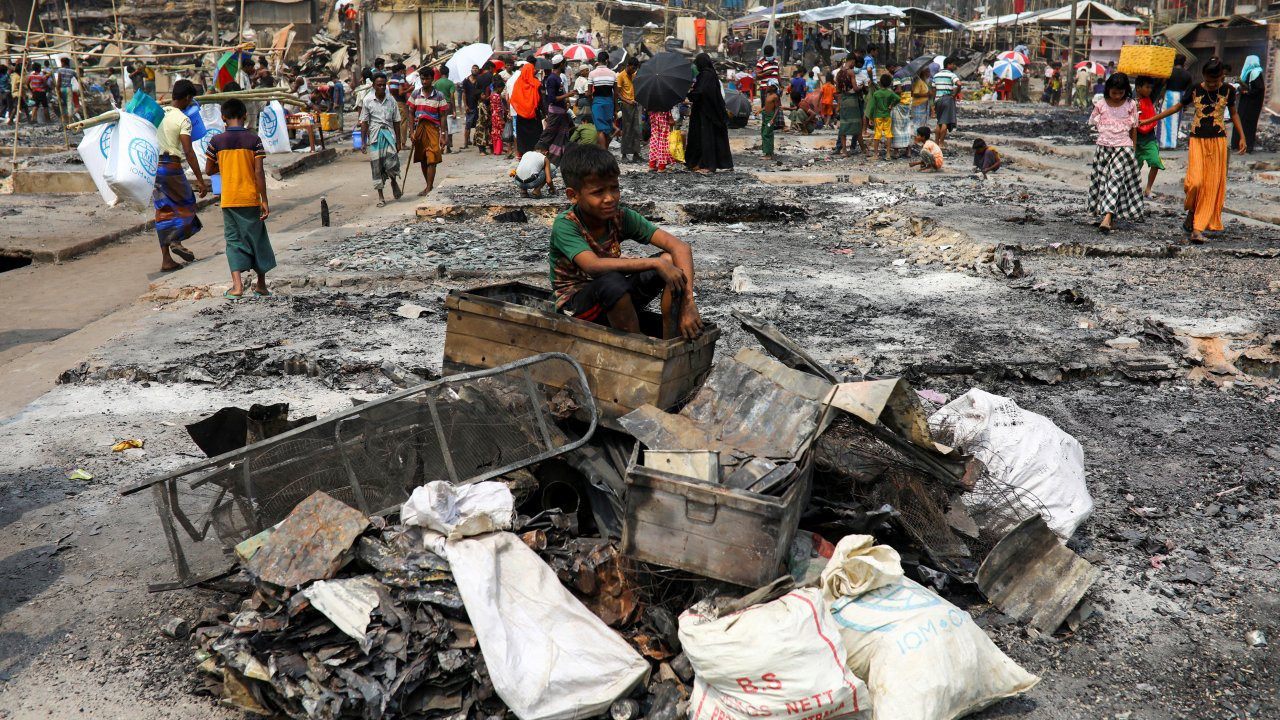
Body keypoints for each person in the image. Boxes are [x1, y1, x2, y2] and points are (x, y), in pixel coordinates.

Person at [548, 144, 702, 340]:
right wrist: (654, 262)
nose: (609, 198)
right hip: (577, 307)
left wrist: (688, 303)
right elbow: (593, 266)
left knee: (671, 261)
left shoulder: (621, 216)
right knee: (614, 281)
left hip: (617, 298)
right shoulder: (566, 224)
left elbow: (680, 247)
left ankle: (669, 342)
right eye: (598, 192)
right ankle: (639, 349)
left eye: (614, 188)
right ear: (573, 195)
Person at [1151, 60, 1247, 243]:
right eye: (1208, 81)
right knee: (1195, 183)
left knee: (1210, 186)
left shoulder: (1229, 90)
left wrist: (1242, 136)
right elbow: (1176, 108)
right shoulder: (1195, 89)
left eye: (1215, 81)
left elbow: (1234, 113)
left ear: (1221, 77)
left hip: (1218, 141)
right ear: (1203, 76)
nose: (1211, 85)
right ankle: (1192, 211)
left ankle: (1197, 228)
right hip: (1197, 140)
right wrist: (1151, 120)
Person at [203, 99, 274, 299]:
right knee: (257, 240)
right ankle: (260, 284)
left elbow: (209, 169)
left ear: (223, 118)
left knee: (233, 241)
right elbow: (259, 172)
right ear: (245, 115)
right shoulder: (254, 140)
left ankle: (237, 287)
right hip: (250, 198)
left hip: (229, 199)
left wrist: (225, 165)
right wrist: (264, 200)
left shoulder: (216, 142)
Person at [151, 80, 209, 272]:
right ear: (187, 98)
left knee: (163, 211)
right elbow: (188, 151)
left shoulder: (158, 114)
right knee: (187, 203)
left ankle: (166, 259)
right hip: (171, 167)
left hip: (154, 169)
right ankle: (176, 240)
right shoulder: (183, 120)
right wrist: (200, 181)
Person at [1086, 72, 1142, 233]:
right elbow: (1094, 124)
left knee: (1115, 179)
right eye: (1114, 92)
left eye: (1121, 93)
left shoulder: (1130, 105)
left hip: (1123, 147)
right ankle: (1110, 215)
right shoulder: (1101, 104)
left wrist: (1134, 148)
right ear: (1108, 90)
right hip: (1104, 148)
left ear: (1126, 91)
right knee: (1103, 181)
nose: (1117, 96)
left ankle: (1107, 217)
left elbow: (1134, 129)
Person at [358, 73, 403, 206]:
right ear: (373, 85)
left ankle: (394, 182)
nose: (382, 87)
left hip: (389, 135)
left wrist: (399, 141)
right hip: (375, 137)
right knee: (377, 167)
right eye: (379, 85)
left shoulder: (391, 100)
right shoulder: (367, 100)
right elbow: (364, 122)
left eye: (384, 85)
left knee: (392, 164)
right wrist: (363, 142)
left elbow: (396, 121)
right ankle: (381, 197)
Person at [685, 54, 732, 174]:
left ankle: (708, 165)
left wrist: (690, 94)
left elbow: (702, 92)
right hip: (703, 111)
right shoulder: (707, 75)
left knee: (707, 138)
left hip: (708, 112)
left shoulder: (707, 75)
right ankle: (698, 162)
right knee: (699, 137)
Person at [407, 80, 448, 195]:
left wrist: (443, 134)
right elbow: (410, 112)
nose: (424, 81)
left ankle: (429, 187)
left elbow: (443, 116)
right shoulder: (415, 94)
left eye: (427, 78)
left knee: (432, 157)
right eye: (422, 78)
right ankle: (428, 185)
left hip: (433, 129)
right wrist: (411, 132)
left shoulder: (439, 95)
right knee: (423, 158)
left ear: (431, 78)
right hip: (419, 128)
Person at [539, 55, 576, 162]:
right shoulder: (552, 78)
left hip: (561, 112)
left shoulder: (558, 77)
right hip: (555, 113)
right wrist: (568, 95)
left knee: (562, 135)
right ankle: (539, 154)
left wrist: (566, 100)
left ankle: (556, 159)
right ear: (561, 64)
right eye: (564, 64)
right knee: (549, 135)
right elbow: (552, 98)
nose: (565, 66)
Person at [1133, 76, 1164, 198]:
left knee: (1155, 162)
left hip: (1150, 138)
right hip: (1136, 139)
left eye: (1151, 87)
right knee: (1135, 167)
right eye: (1147, 87)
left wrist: (1162, 81)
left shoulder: (1150, 98)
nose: (1150, 90)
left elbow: (1158, 87)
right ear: (1138, 88)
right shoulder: (1131, 101)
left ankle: (1148, 188)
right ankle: (1133, 189)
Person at [509, 61, 542, 160]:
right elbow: (539, 100)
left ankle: (523, 154)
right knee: (535, 135)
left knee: (523, 136)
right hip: (534, 114)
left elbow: (514, 99)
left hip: (521, 115)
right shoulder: (536, 83)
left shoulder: (518, 84)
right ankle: (536, 153)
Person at [1233, 54, 1264, 154]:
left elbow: (1259, 88)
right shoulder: (1249, 72)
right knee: (1240, 121)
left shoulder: (1256, 73)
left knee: (1248, 123)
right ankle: (1237, 144)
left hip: (1251, 104)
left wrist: (1247, 92)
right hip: (1246, 101)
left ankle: (1247, 146)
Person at [1159, 55, 1191, 150]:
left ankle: (1162, 143)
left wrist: (1159, 98)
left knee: (1164, 118)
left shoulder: (1169, 72)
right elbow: (1189, 90)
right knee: (1175, 120)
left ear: (1174, 62)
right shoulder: (1187, 74)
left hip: (1168, 95)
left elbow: (1163, 85)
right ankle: (1172, 144)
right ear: (1184, 63)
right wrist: (1185, 103)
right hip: (1180, 97)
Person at [833, 60, 864, 157]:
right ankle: (863, 148)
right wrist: (862, 87)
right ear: (852, 61)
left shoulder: (838, 73)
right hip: (852, 100)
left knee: (843, 126)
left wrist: (839, 103)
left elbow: (837, 90)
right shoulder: (850, 72)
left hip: (843, 100)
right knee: (857, 125)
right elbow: (855, 89)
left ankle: (844, 150)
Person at [588, 52, 617, 149]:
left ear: (598, 60)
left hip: (597, 102)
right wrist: (616, 109)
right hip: (609, 102)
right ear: (607, 60)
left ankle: (603, 153)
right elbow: (616, 93)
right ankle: (606, 152)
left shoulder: (592, 74)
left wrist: (591, 104)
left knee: (600, 130)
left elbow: (589, 93)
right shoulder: (613, 74)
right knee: (608, 129)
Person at [868, 74, 899, 161]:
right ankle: (888, 154)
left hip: (878, 116)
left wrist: (870, 117)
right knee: (888, 134)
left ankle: (875, 155)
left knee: (877, 134)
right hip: (887, 116)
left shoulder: (876, 94)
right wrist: (892, 105)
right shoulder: (890, 93)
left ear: (880, 83)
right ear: (889, 84)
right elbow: (898, 98)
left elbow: (872, 107)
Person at [932, 57, 960, 151]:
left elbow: (933, 89)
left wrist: (933, 103)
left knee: (939, 121)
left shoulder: (936, 75)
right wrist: (955, 94)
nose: (954, 66)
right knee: (945, 122)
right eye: (953, 64)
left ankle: (936, 142)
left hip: (937, 100)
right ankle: (941, 143)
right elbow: (959, 84)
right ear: (948, 64)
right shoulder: (951, 75)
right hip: (947, 98)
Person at [617, 57, 642, 163]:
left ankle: (636, 154)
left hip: (635, 104)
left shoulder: (634, 75)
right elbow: (617, 94)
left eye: (635, 69)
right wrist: (628, 101)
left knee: (636, 129)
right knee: (627, 129)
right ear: (628, 66)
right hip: (626, 105)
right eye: (633, 68)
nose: (634, 71)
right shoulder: (621, 76)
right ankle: (624, 154)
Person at [433, 70, 457, 154]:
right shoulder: (450, 83)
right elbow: (452, 97)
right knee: (448, 126)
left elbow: (434, 95)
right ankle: (448, 147)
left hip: (438, 105)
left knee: (440, 126)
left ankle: (440, 146)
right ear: (448, 73)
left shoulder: (436, 83)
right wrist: (454, 110)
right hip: (448, 106)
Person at [460, 64, 483, 149]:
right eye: (473, 68)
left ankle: (477, 141)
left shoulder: (479, 80)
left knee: (478, 125)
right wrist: (465, 105)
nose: (475, 70)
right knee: (468, 125)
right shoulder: (466, 81)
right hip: (469, 106)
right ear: (471, 70)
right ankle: (465, 143)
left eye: (476, 68)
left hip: (478, 106)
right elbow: (464, 93)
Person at [647, 106, 673, 172]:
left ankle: (652, 166)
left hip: (654, 132)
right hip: (663, 133)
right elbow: (671, 121)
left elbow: (650, 121)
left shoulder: (651, 109)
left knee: (654, 146)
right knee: (663, 147)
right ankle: (661, 167)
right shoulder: (666, 108)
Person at [761, 81, 780, 160]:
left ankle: (768, 155)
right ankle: (769, 152)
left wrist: (773, 119)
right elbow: (766, 106)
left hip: (770, 117)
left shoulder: (775, 97)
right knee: (765, 133)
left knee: (766, 134)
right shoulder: (768, 95)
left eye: (768, 86)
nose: (766, 87)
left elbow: (777, 108)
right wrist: (760, 110)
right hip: (765, 116)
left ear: (773, 87)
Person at [909, 66, 931, 135]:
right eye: (928, 72)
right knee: (917, 123)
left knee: (922, 122)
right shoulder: (919, 81)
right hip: (918, 105)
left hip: (923, 105)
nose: (929, 74)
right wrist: (926, 95)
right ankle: (917, 137)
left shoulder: (923, 82)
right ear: (924, 73)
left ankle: (920, 136)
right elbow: (915, 93)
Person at [490, 76, 508, 156]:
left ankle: (496, 149)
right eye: (502, 88)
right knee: (499, 132)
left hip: (493, 115)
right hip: (497, 116)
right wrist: (502, 119)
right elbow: (499, 109)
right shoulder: (497, 96)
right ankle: (498, 149)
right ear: (498, 88)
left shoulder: (492, 95)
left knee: (495, 132)